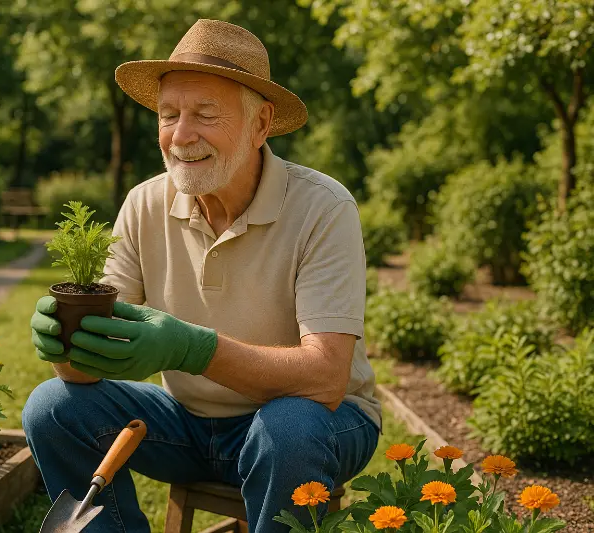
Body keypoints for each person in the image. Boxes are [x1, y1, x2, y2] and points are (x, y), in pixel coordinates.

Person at [23, 18, 382, 533]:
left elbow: (326, 379)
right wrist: (68, 344)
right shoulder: (145, 203)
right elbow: (85, 374)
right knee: (53, 407)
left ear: (261, 124)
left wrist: (192, 349)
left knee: (289, 429)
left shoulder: (322, 208)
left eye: (205, 115)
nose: (181, 136)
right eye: (168, 115)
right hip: (186, 424)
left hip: (314, 421)